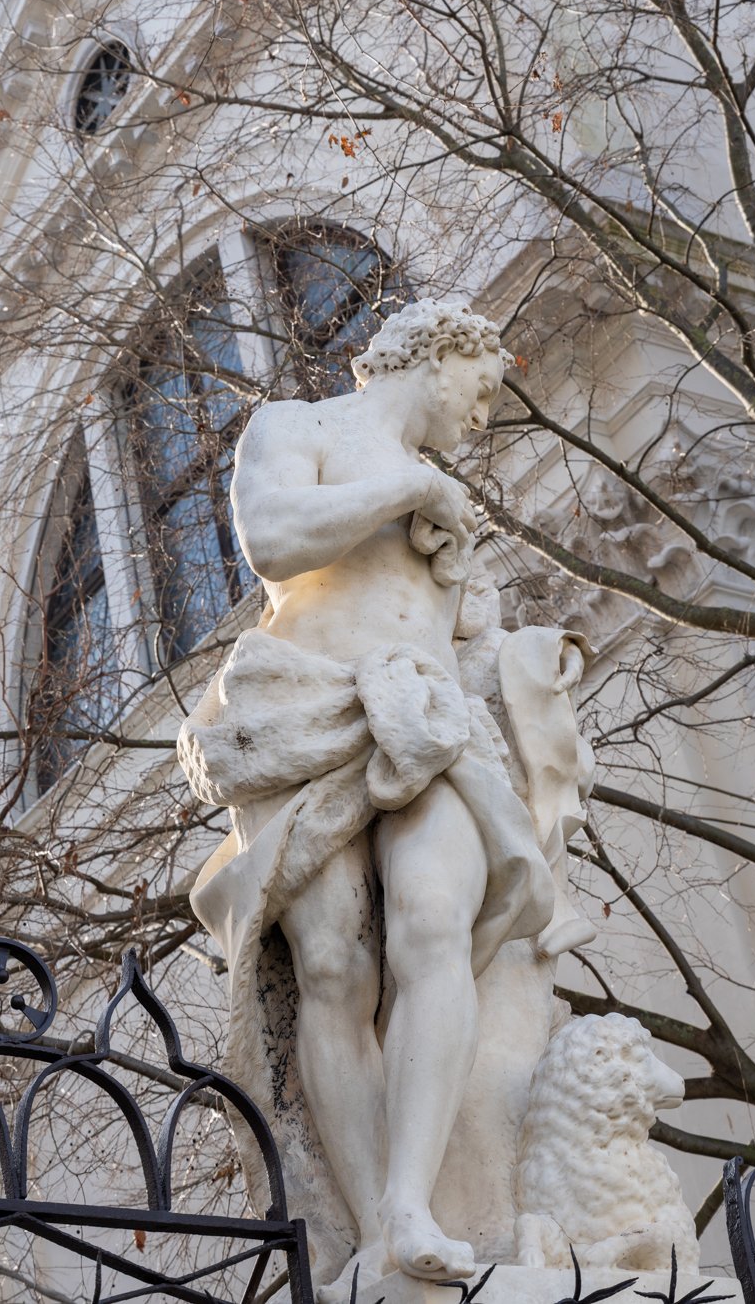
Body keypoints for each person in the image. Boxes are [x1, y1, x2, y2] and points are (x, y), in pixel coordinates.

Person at [177, 301, 557, 1295]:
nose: (481, 418)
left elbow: (474, 645)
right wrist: (408, 484)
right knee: (333, 963)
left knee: (434, 924)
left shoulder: (448, 501)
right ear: (439, 355)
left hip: (430, 723)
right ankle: (369, 1231)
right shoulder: (295, 430)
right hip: (310, 713)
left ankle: (409, 1204)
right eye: (480, 391)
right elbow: (273, 539)